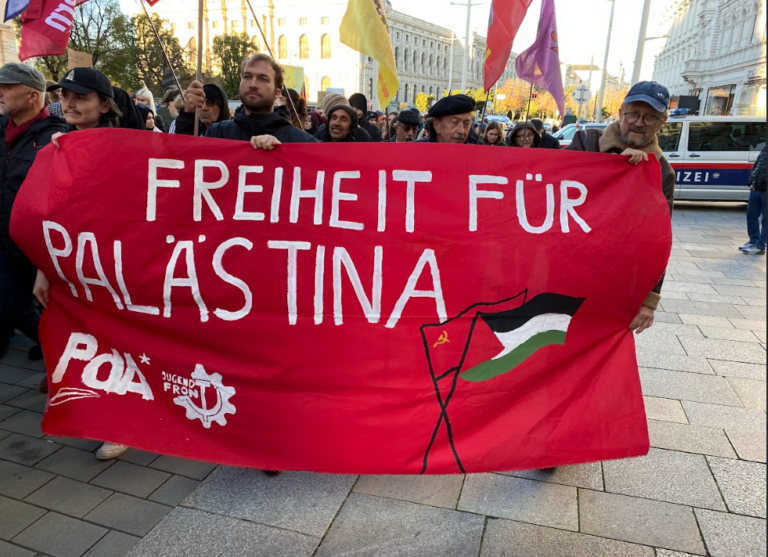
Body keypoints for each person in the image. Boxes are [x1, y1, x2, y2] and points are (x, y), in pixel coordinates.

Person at [37, 68, 130, 460]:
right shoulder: (58, 145)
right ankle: (86, 407)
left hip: (113, 261)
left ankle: (121, 422)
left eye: (81, 97)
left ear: (103, 105)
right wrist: (44, 267)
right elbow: (51, 210)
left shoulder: (126, 146)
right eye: (65, 96)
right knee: (80, 337)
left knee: (116, 341)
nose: (70, 103)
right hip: (69, 260)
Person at [567, 80, 675, 333]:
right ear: (620, 113)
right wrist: (613, 165)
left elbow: (658, 239)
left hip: (614, 282)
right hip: (565, 269)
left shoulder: (662, 172)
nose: (638, 123)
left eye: (650, 117)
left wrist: (649, 301)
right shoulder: (586, 142)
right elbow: (557, 189)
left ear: (662, 123)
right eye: (633, 114)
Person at [0, 63, 67, 366]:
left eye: (7, 86)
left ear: (32, 96)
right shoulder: (2, 130)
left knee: (16, 308)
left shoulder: (55, 137)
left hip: (34, 247)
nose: (0, 92)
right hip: (4, 240)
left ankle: (56, 349)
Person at [178, 53, 315, 149]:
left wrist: (284, 153)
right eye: (247, 76)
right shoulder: (216, 134)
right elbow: (184, 165)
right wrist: (189, 115)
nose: (253, 84)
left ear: (277, 93)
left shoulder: (302, 143)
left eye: (263, 79)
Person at [741, 146, 767, 255]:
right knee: (751, 216)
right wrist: (751, 181)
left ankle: (760, 246)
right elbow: (756, 165)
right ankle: (753, 241)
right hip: (756, 188)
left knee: (765, 220)